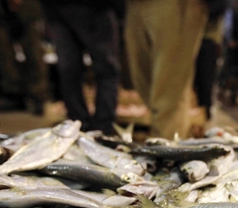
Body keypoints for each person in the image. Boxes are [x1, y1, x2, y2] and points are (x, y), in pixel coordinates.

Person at [124, 0, 209, 139]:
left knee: (169, 96)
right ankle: (171, 143)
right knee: (145, 86)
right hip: (134, 4)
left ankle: (166, 153)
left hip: (177, 4)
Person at [40, 0, 122, 134]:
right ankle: (86, 128)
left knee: (102, 69)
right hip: (66, 10)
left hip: (89, 8)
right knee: (72, 70)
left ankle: (96, 128)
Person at [194, 9, 227, 121]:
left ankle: (203, 112)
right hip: (194, 36)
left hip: (207, 39)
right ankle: (196, 111)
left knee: (205, 79)